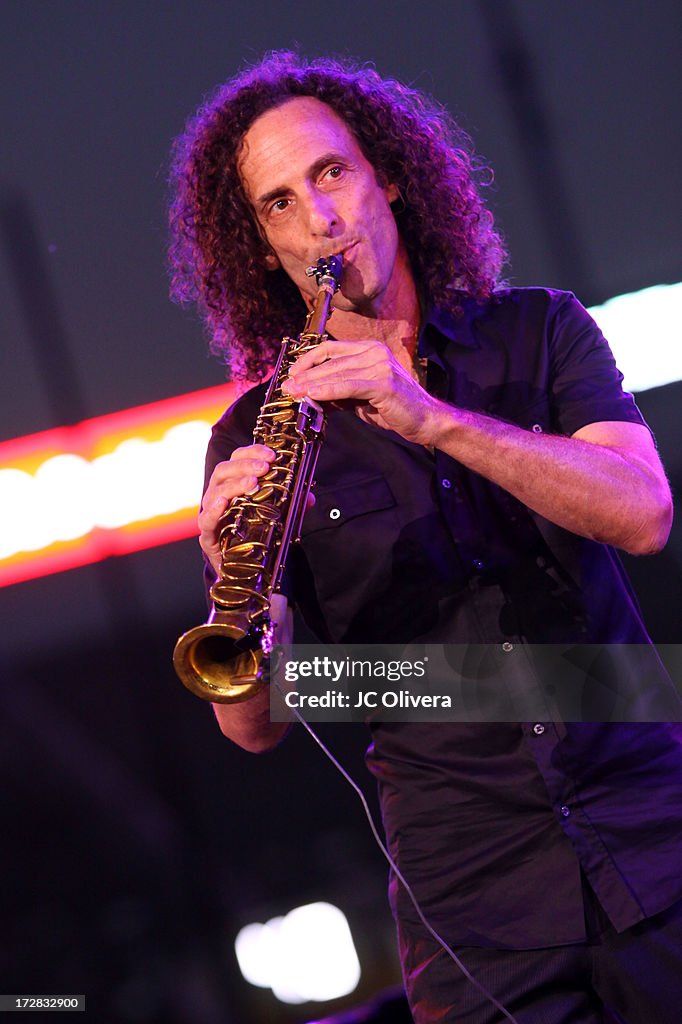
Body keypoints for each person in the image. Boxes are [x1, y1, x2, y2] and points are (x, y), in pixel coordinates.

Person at [168, 52, 682, 1023]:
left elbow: (642, 512)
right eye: (278, 203)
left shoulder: (540, 333)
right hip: (472, 907)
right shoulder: (249, 437)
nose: (317, 217)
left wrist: (430, 415)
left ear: (387, 174)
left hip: (654, 834)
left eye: (330, 173)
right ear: (260, 245)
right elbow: (251, 723)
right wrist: (229, 580)